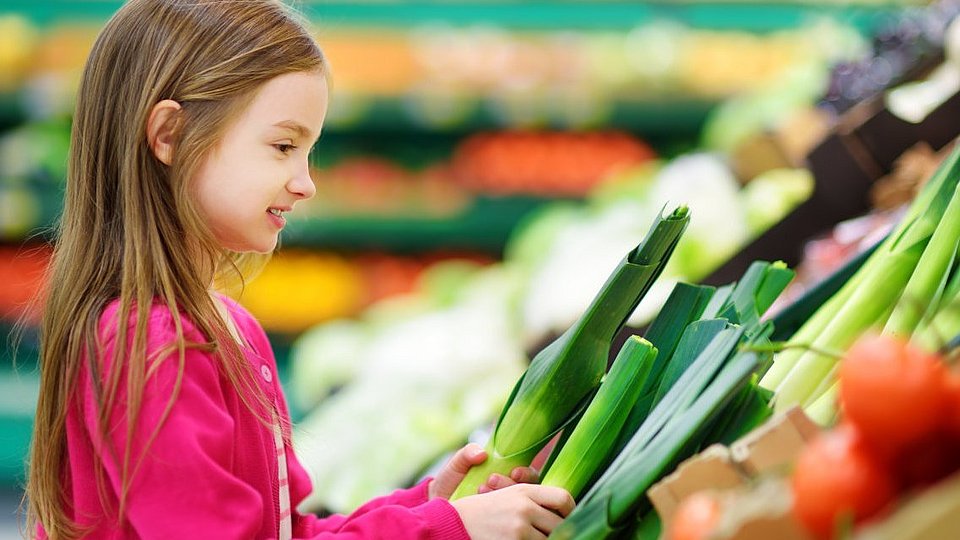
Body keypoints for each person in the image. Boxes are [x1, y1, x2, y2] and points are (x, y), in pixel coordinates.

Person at [22, 1, 575, 538]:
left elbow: (284, 531)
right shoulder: (149, 344)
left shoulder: (229, 328)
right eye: (284, 145)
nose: (305, 182)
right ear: (169, 135)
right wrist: (441, 531)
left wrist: (429, 507)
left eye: (308, 151)